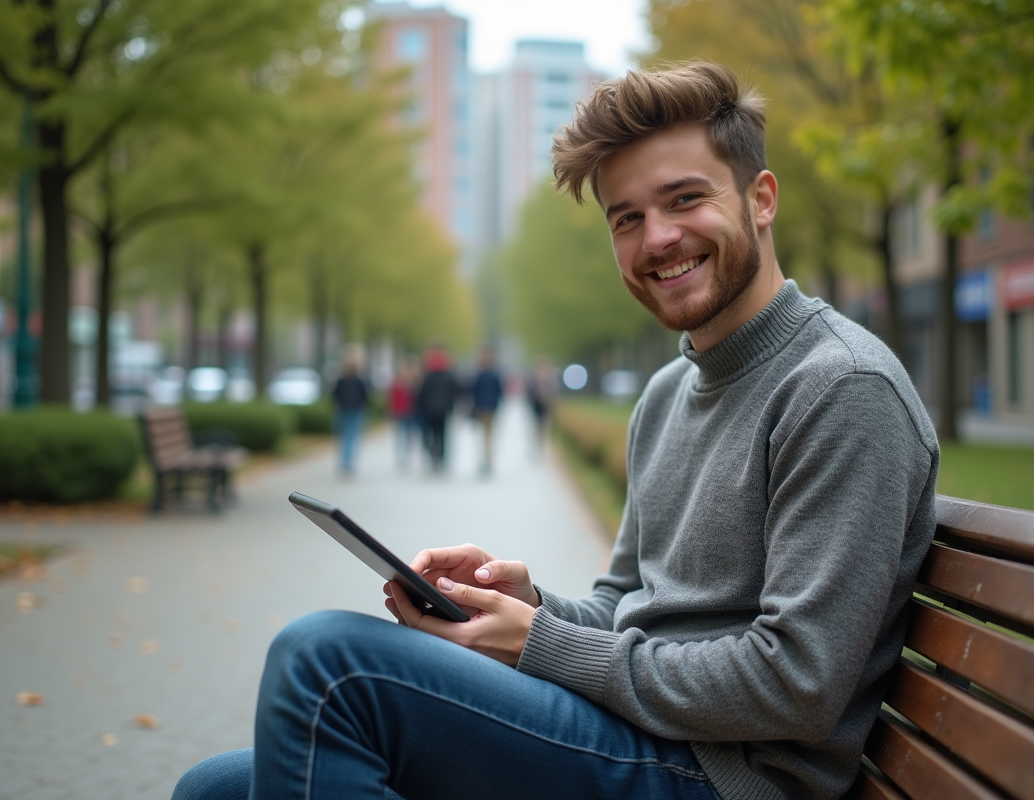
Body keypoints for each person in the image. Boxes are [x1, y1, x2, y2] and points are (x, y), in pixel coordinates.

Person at [173, 62, 938, 800]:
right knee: (213, 789)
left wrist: (537, 643)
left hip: (725, 777)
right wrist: (529, 603)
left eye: (684, 200)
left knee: (327, 663)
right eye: (628, 218)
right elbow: (623, 606)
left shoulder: (841, 389)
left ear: (761, 198)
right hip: (640, 736)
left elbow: (794, 686)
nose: (658, 238)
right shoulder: (671, 391)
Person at [414, 343, 460, 472]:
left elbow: (421, 393)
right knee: (442, 434)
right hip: (444, 410)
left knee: (431, 433)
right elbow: (455, 392)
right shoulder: (449, 376)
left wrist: (420, 407)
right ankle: (441, 457)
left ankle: (433, 454)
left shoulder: (428, 376)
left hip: (429, 410)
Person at [331, 349, 369, 477]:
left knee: (345, 436)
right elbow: (365, 395)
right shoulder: (359, 380)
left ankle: (345, 461)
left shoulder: (341, 380)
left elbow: (335, 394)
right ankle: (348, 461)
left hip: (343, 409)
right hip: (356, 410)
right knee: (352, 436)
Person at [469, 347, 504, 474]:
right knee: (488, 435)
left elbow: (473, 391)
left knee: (483, 434)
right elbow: (500, 392)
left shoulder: (478, 375)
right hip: (491, 408)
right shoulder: (495, 375)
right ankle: (488, 459)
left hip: (481, 407)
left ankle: (485, 459)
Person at [388, 358, 420, 469]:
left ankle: (407, 454)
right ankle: (400, 455)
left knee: (409, 435)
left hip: (411, 413)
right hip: (400, 413)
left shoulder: (415, 384)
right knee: (400, 435)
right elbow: (392, 399)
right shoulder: (397, 384)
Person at [525, 358, 558, 452]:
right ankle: (537, 442)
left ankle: (542, 442)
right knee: (536, 424)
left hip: (546, 405)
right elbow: (530, 391)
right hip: (536, 404)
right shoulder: (534, 379)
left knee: (544, 423)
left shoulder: (550, 379)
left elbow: (554, 391)